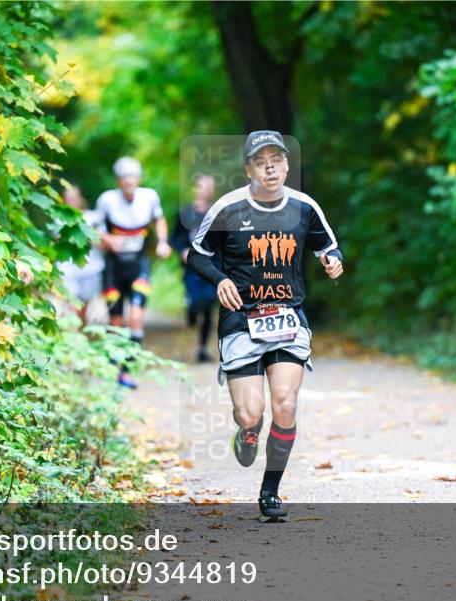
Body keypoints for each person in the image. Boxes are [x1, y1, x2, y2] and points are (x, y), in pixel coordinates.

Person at [186, 131, 344, 522]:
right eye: (261, 161)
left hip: (289, 317)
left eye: (277, 159)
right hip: (242, 318)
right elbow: (197, 254)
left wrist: (333, 262)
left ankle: (270, 492)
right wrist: (219, 279)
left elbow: (329, 247)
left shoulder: (305, 208)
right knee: (249, 412)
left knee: (285, 405)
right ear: (249, 169)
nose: (270, 167)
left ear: (287, 165)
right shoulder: (228, 207)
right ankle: (247, 431)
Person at [93, 156, 171, 389]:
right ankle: (113, 365)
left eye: (132, 177)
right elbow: (93, 229)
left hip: (138, 265)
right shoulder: (106, 200)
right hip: (114, 268)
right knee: (116, 322)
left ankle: (127, 370)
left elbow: (160, 219)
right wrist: (108, 239)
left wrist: (163, 242)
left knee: (136, 317)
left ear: (139, 179)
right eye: (124, 178)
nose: (128, 182)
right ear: (118, 181)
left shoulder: (149, 197)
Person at [170, 174, 221, 363]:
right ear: (195, 188)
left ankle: (202, 348)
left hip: (213, 265)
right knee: (196, 303)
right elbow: (174, 238)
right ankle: (190, 312)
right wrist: (182, 249)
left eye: (210, 186)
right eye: (202, 186)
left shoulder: (218, 213)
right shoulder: (185, 213)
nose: (206, 189)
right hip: (191, 267)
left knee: (208, 306)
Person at [56, 185, 104, 323]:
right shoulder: (59, 219)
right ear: (63, 200)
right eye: (68, 198)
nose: (72, 201)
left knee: (84, 308)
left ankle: (79, 336)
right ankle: (73, 335)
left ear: (80, 199)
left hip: (91, 268)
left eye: (74, 198)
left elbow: (101, 241)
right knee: (72, 306)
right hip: (68, 270)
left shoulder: (92, 217)